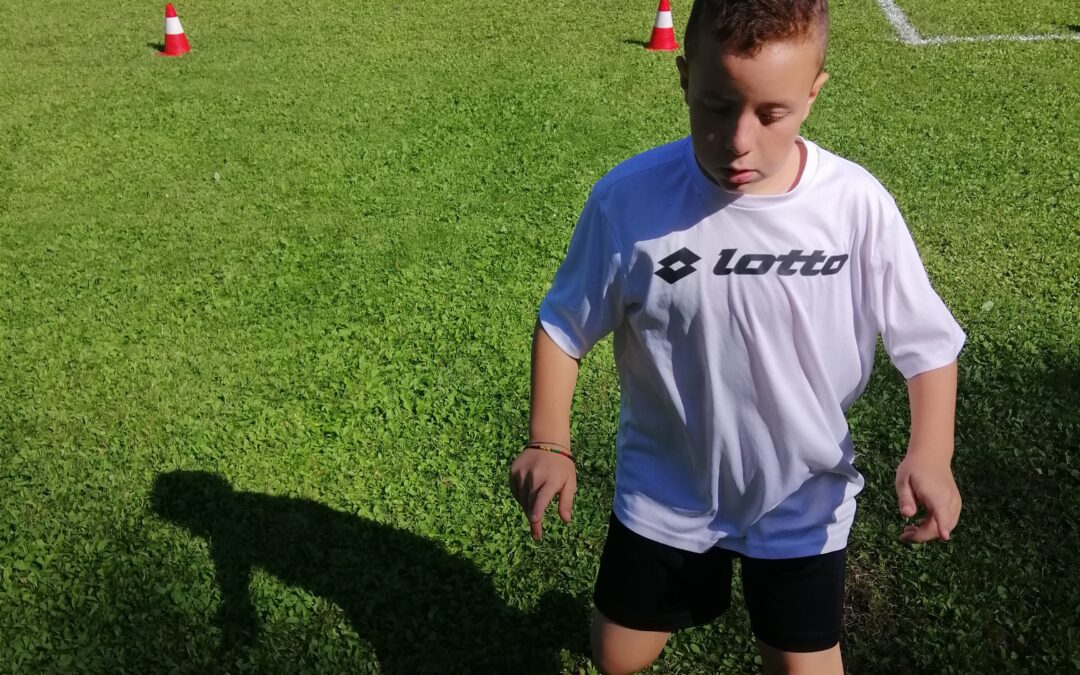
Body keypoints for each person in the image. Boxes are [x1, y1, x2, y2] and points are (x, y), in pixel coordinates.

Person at [508, 0, 966, 673]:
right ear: (685, 79)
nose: (739, 139)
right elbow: (563, 326)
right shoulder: (630, 201)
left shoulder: (854, 205)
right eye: (717, 108)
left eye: (770, 113)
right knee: (617, 658)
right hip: (670, 485)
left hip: (801, 492)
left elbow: (927, 343)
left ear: (813, 94)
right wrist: (549, 440)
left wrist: (931, 452)